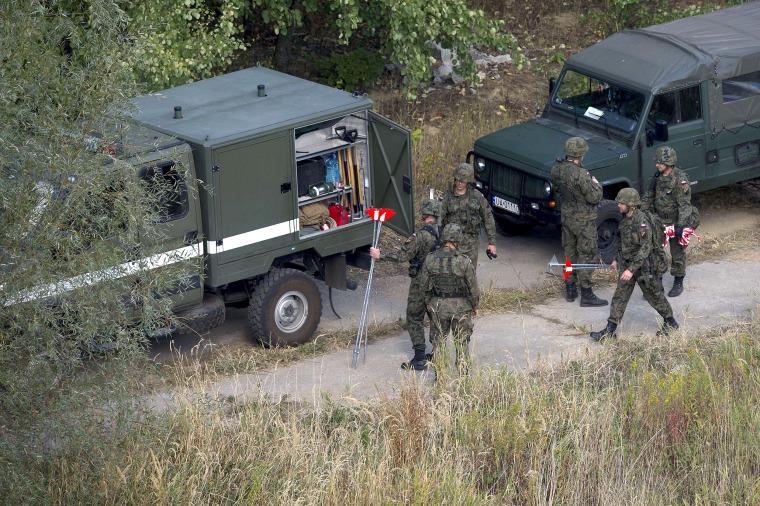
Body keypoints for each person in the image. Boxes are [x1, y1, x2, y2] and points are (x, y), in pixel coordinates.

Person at [590, 188, 679, 341]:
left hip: (644, 267)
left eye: (622, 203)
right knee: (619, 296)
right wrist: (616, 259)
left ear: (631, 205)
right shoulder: (624, 220)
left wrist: (631, 270)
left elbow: (646, 248)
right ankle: (610, 330)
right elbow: (620, 240)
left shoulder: (642, 222)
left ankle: (670, 322)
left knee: (654, 296)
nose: (619, 206)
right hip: (627, 264)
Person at [369, 199, 442, 370]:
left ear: (425, 214)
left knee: (414, 317)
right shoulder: (443, 233)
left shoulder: (421, 235)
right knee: (435, 318)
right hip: (438, 281)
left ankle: (419, 358)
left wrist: (381, 255)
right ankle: (438, 354)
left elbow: (403, 255)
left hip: (420, 282)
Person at [550, 136, 608, 307]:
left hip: (567, 217)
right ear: (580, 155)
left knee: (569, 254)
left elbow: (558, 189)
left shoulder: (557, 169)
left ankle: (570, 289)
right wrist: (597, 184)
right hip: (584, 219)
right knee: (587, 255)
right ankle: (587, 294)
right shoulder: (582, 174)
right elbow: (595, 197)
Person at [417, 223, 479, 375]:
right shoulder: (464, 261)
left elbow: (423, 287)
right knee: (462, 343)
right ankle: (463, 380)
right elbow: (473, 288)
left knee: (438, 344)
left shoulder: (430, 259)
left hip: (438, 307)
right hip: (461, 308)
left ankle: (439, 379)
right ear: (458, 239)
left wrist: (429, 305)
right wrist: (474, 306)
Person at [640, 146, 692, 297]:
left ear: (669, 163)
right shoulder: (657, 177)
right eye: (657, 162)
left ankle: (678, 281)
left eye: (660, 162)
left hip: (675, 221)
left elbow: (684, 205)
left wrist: (681, 225)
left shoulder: (680, 179)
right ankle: (657, 284)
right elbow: (649, 196)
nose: (657, 165)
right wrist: (639, 213)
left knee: (677, 252)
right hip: (658, 221)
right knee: (656, 252)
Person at [440, 162, 496, 270]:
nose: (459, 183)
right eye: (458, 180)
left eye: (463, 181)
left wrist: (492, 243)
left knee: (469, 274)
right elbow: (439, 219)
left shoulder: (477, 197)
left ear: (468, 182)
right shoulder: (447, 197)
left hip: (470, 244)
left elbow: (488, 218)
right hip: (451, 242)